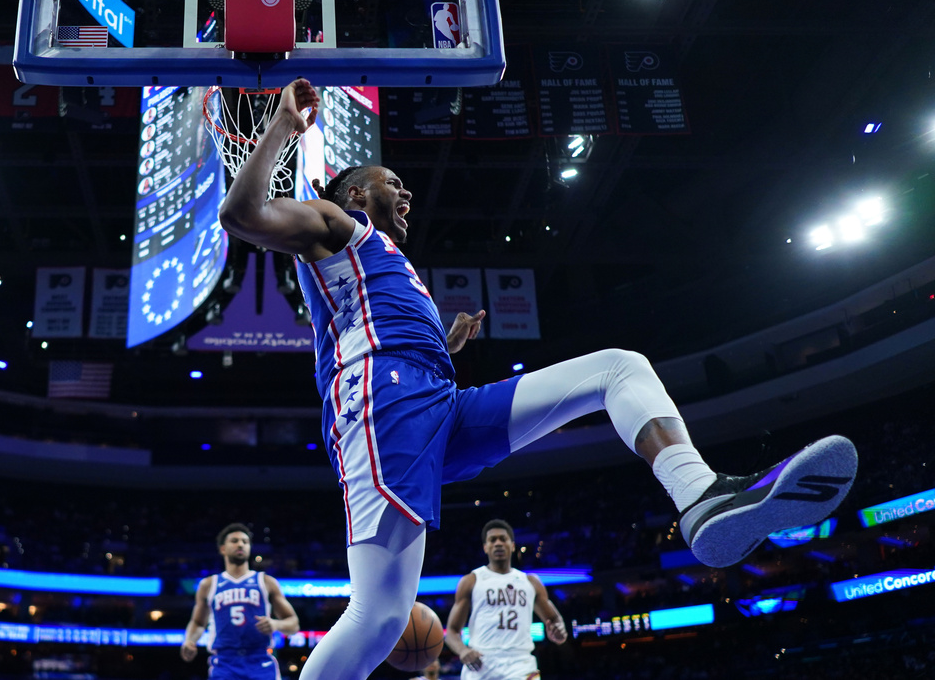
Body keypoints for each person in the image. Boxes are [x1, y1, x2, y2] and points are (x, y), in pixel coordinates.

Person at [216, 78, 858, 680]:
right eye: (393, 183)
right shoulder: (335, 226)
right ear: (355, 195)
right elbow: (241, 216)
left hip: (437, 403)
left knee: (618, 368)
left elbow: (381, 332)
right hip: (385, 408)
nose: (406, 194)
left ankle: (701, 497)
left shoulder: (390, 263)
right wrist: (281, 126)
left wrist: (444, 344)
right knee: (380, 615)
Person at [445, 520, 567, 680]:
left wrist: (559, 632)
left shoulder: (531, 582)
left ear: (513, 545)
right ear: (485, 547)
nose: (498, 543)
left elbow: (555, 620)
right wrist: (463, 651)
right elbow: (451, 632)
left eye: (503, 539)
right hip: (482, 664)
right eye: (492, 540)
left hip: (521, 665)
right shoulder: (472, 580)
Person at [180, 523, 300, 680]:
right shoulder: (209, 584)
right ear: (222, 548)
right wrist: (189, 641)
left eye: (245, 541)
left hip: (259, 660)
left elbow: (293, 623)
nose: (240, 544)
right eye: (235, 541)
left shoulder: (266, 581)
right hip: (224, 662)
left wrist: (275, 624)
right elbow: (198, 623)